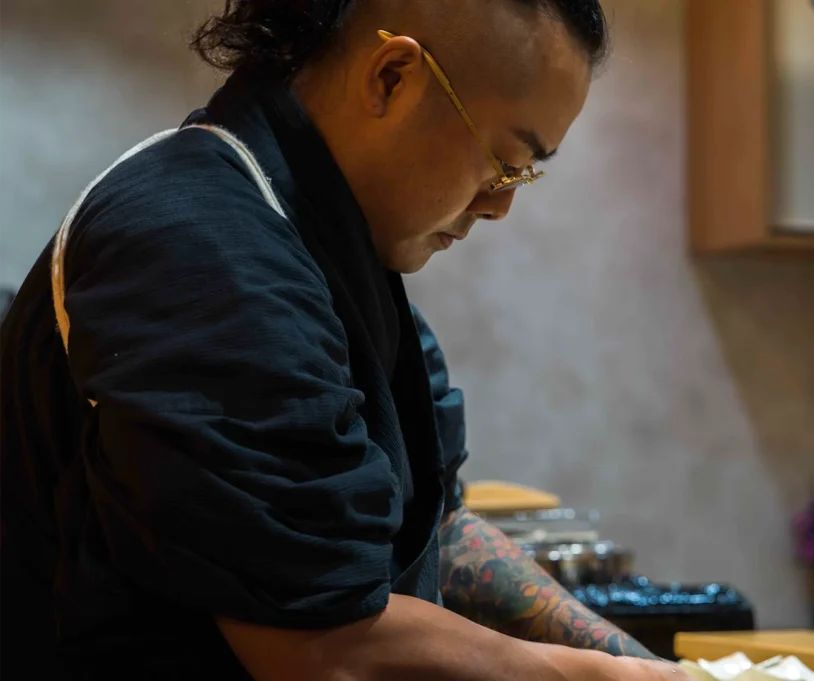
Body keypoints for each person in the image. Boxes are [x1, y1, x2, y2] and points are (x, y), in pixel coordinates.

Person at [0, 0, 686, 678]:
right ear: (392, 78)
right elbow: (321, 645)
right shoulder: (200, 245)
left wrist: (640, 662)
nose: (500, 204)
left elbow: (439, 527)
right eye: (505, 160)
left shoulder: (328, 252)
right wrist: (604, 678)